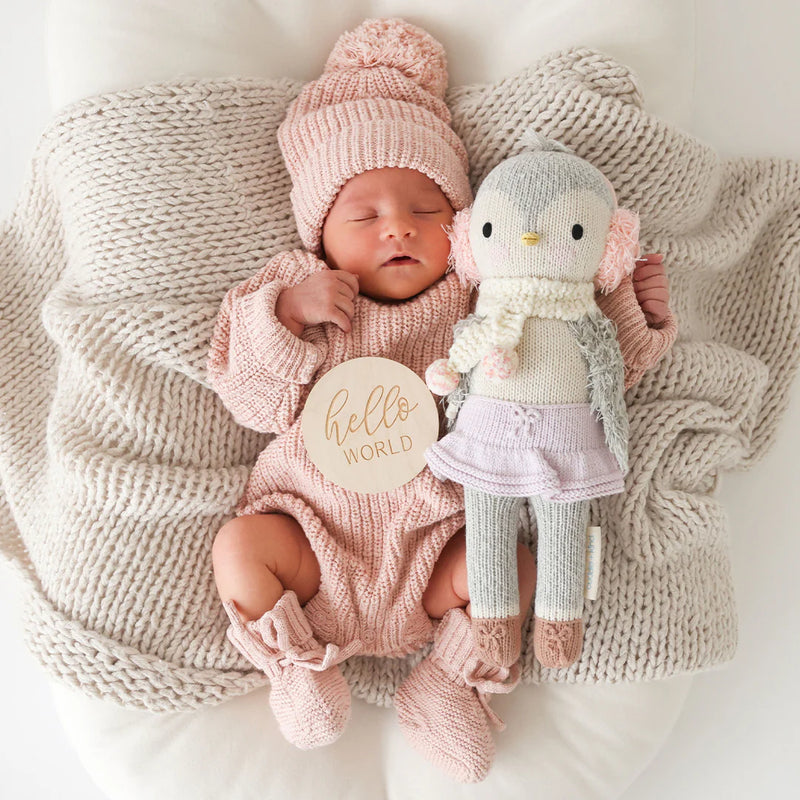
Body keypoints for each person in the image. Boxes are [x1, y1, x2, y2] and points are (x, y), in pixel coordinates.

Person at [207, 17, 676, 784]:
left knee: (515, 566)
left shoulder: (481, 301)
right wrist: (286, 315)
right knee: (238, 546)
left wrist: (636, 316)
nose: (397, 227)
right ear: (321, 233)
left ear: (461, 231)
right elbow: (249, 398)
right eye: (364, 215)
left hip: (436, 546)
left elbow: (564, 372)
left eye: (425, 210)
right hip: (313, 535)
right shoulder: (302, 290)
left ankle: (450, 680)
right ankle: (295, 666)